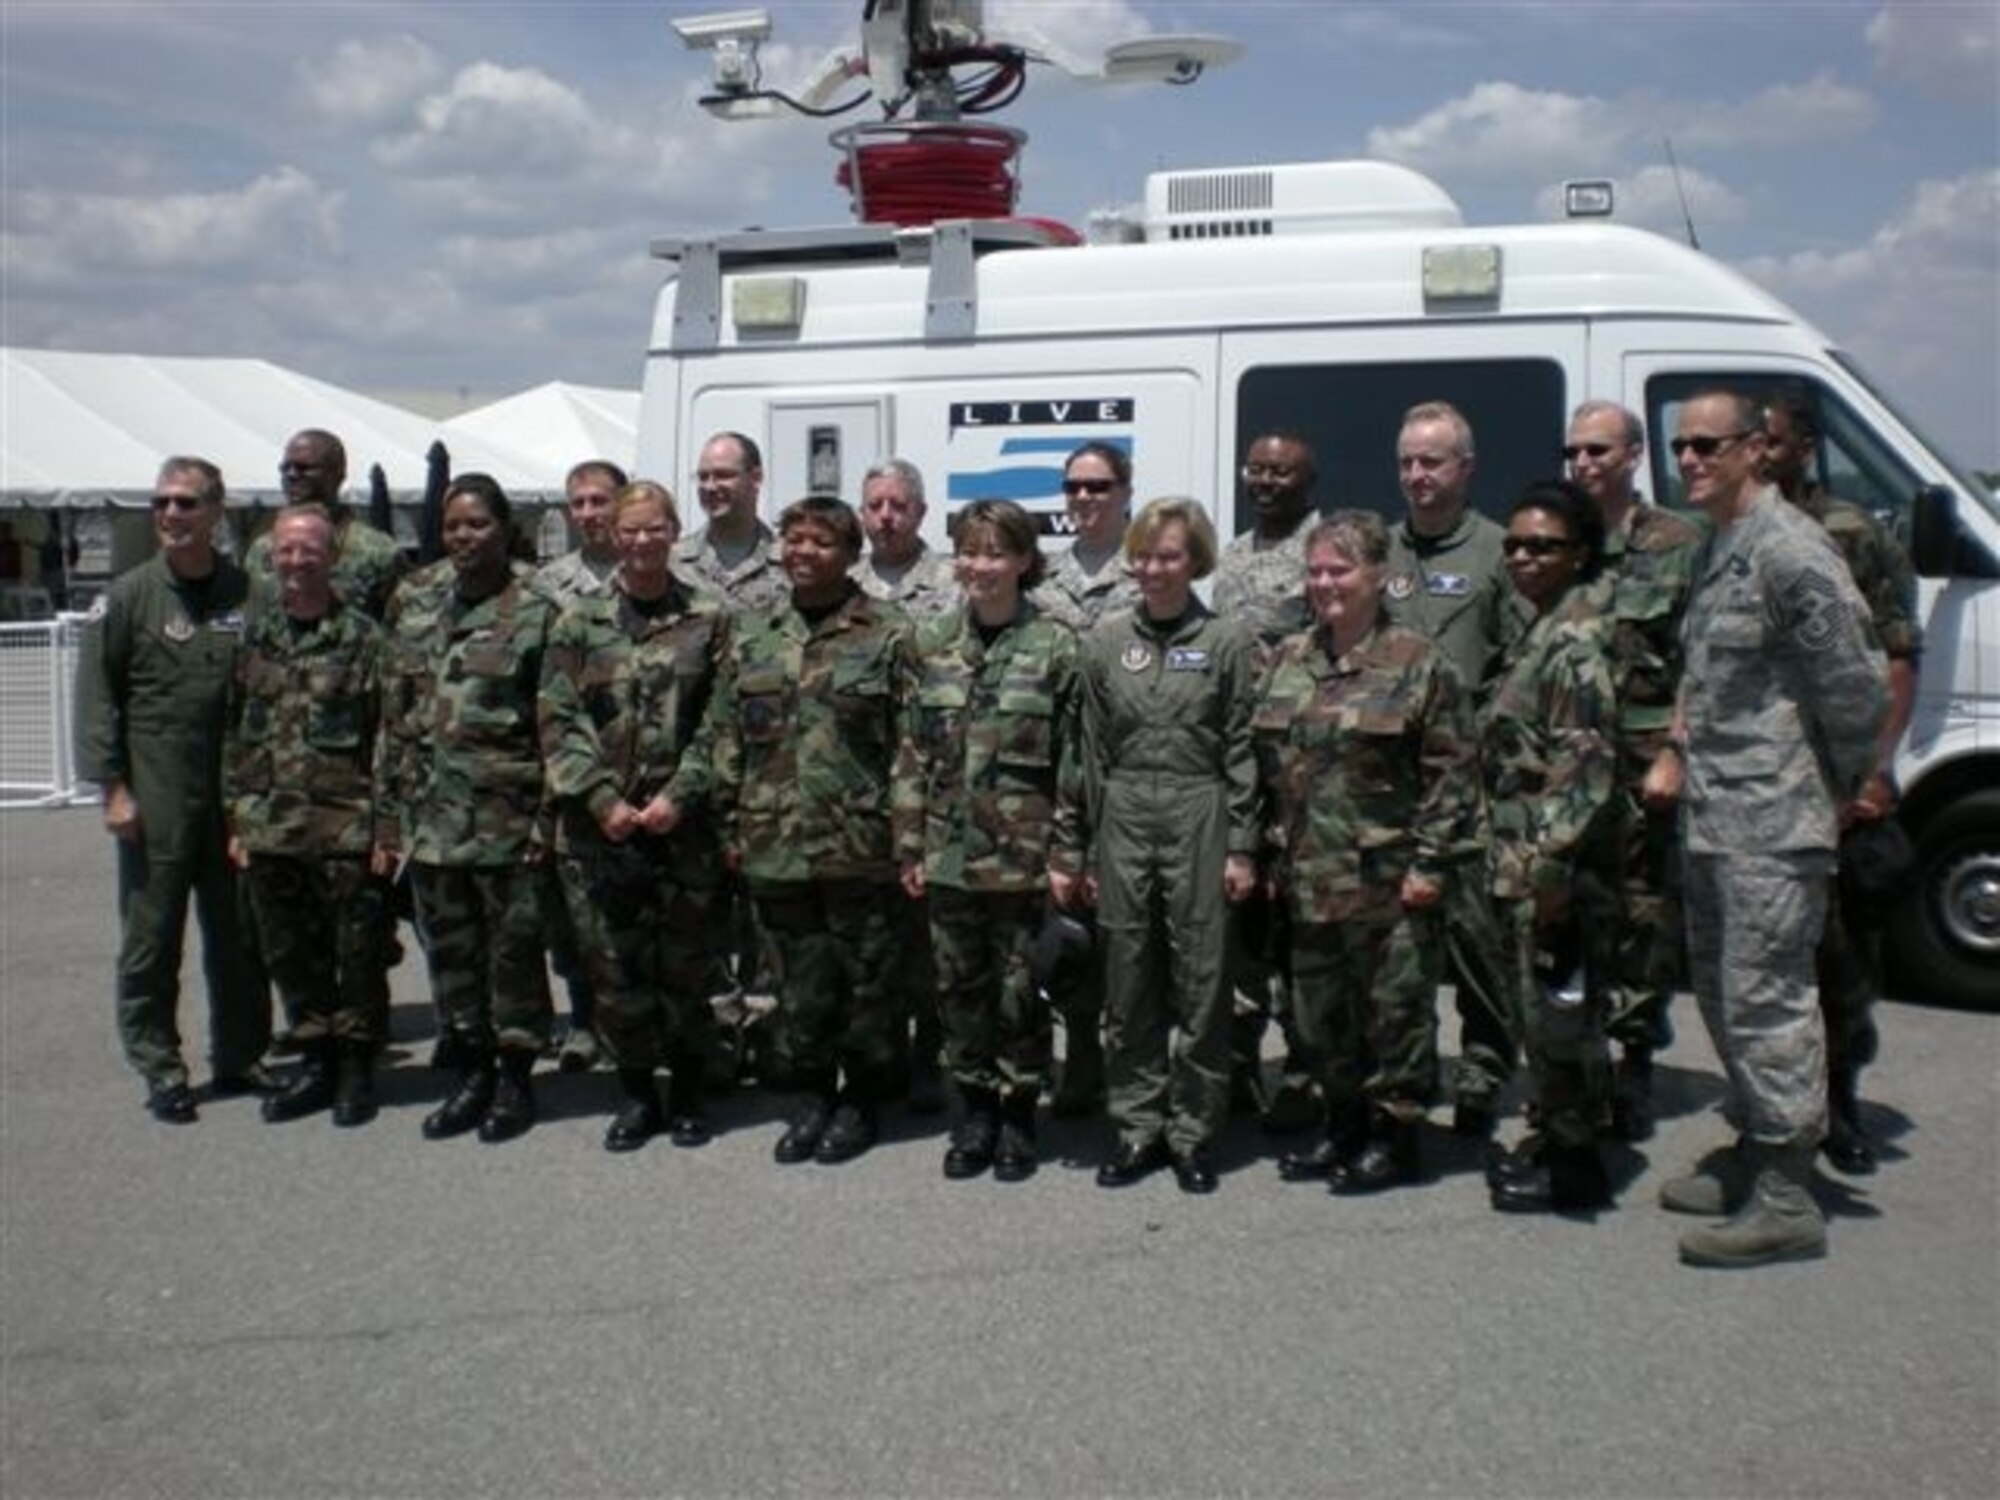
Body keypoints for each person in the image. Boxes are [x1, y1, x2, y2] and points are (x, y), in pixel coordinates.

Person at [1659, 390, 1888, 1268]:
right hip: (1720, 814)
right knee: (1724, 996)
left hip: (1774, 819)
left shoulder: (1792, 552)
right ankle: (1756, 1147)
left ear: (1757, 450)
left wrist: (1834, 783)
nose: (1689, 461)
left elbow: (1857, 686)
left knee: (1768, 1003)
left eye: (1709, 445)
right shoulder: (1723, 547)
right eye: (1680, 446)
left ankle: (1789, 1192)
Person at [672, 495, 915, 1166]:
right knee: (798, 985)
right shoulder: (753, 633)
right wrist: (728, 824)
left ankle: (863, 1099)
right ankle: (812, 1096)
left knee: (867, 981)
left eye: (822, 542)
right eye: (796, 540)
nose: (804, 552)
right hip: (772, 838)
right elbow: (727, 738)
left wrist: (909, 832)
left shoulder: (889, 631)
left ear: (850, 554)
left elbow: (912, 745)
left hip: (859, 843)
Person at [1255, 510, 1481, 1194]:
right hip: (1309, 878)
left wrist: (1431, 865)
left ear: (1378, 576)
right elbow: (1268, 769)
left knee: (1396, 1014)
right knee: (1320, 1017)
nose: (1326, 583)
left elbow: (1453, 773)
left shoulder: (1419, 662)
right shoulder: (1290, 661)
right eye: (1317, 570)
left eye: (1341, 570)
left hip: (1389, 880)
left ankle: (1396, 1136)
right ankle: (1344, 1123)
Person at [1053, 498, 1259, 1194]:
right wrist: (1077, 850)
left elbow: (1240, 748)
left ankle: (1194, 1130)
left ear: (1194, 559)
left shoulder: (1228, 640)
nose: (1155, 568)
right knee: (1129, 978)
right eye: (1143, 555)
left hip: (1200, 811)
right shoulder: (1106, 641)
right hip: (1125, 815)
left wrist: (1242, 847)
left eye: (1169, 555)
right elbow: (1086, 756)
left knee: (1203, 982)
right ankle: (1139, 1125)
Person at [75, 456, 270, 1122]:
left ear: (217, 511)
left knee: (239, 938)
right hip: (157, 796)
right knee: (152, 940)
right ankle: (161, 1067)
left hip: (233, 797)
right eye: (161, 502)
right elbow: (98, 696)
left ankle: (241, 1056)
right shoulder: (129, 597)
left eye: (186, 503)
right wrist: (113, 790)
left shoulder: (250, 594)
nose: (170, 514)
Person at [539, 480, 729, 1152]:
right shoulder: (578, 622)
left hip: (683, 827)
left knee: (686, 967)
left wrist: (683, 792)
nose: (643, 541)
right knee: (616, 968)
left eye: (656, 528)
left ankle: (689, 1093)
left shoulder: (709, 615)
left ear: (675, 531)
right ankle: (638, 1094)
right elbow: (557, 720)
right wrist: (600, 800)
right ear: (611, 537)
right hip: (604, 831)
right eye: (631, 530)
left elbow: (722, 719)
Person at [894, 499, 1079, 1182]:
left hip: (1025, 862)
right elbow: (912, 753)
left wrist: (1067, 855)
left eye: (996, 552)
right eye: (969, 552)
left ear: (1024, 560)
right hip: (949, 853)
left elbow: (1075, 765)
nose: (980, 566)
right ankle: (971, 1114)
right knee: (959, 992)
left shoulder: (1057, 648)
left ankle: (1018, 1115)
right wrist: (909, 845)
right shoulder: (930, 643)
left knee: (1019, 992)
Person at [1762, 388, 1922, 1176]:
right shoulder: (1733, 534)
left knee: (1845, 957)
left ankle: (1841, 1101)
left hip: (1835, 784)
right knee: (1766, 960)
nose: (1758, 452)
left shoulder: (1846, 532)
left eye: (1772, 440)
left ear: (1804, 448)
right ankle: (1775, 1112)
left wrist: (1877, 766)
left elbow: (1897, 654)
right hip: (1764, 783)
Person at [381, 474, 558, 1144]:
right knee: (452, 957)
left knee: (512, 954)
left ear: (502, 527)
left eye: (476, 525)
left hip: (507, 818)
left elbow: (556, 722)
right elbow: (395, 712)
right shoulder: (417, 598)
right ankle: (473, 1069)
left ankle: (516, 1077)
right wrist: (389, 814)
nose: (463, 537)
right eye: (453, 526)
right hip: (432, 820)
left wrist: (547, 820)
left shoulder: (538, 606)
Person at [223, 505, 394, 1127]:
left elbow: (388, 737)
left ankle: (356, 1069)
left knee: (358, 955)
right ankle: (316, 1061)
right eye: (285, 551)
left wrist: (387, 826)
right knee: (291, 954)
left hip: (346, 825)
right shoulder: (254, 634)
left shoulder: (364, 638)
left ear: (332, 558)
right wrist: (237, 818)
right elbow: (236, 732)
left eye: (309, 550)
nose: (296, 561)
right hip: (271, 825)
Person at [1479, 481, 1621, 1213]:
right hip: (1524, 861)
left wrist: (1552, 870)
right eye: (1515, 545)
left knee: (1558, 1022)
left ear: (1582, 555)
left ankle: (1573, 1171)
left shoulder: (1573, 643)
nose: (1524, 557)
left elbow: (1584, 769)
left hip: (1550, 871)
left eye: (1543, 546)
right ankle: (1561, 1140)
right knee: (1544, 1018)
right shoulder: (1542, 625)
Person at [1564, 401, 1702, 1141]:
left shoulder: (1679, 543)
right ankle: (1579, 1058)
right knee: (1578, 912)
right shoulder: (1561, 542)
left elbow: (1702, 658)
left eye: (1598, 451)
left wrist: (1678, 750)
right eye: (1575, 452)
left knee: (1644, 915)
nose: (1584, 464)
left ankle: (1636, 1060)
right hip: (1576, 764)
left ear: (1633, 456)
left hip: (1646, 761)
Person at [1382, 401, 1520, 1137]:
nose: (1416, 475)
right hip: (1388, 783)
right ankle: (1408, 1068)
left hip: (1470, 782)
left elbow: (1518, 662)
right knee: (1402, 944)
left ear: (1464, 468)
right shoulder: (1383, 552)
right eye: (1407, 461)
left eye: (1431, 461)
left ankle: (1483, 1069)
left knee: (1476, 940)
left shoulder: (1498, 553)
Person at [1212, 430, 1322, 1135]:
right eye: (1256, 470)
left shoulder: (1324, 550)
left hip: (1305, 768)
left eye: (1281, 471)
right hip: (1240, 764)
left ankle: (1308, 1072)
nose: (1265, 481)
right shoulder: (1230, 557)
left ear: (1307, 478)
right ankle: (1243, 1061)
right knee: (1245, 927)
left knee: (1303, 931)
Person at [1031, 441, 1141, 1117]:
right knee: (1066, 919)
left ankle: (1133, 1062)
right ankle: (1080, 1059)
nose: (1084, 498)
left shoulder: (1150, 571)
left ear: (1126, 490)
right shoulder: (1044, 581)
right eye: (1073, 487)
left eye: (1098, 486)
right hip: (1057, 771)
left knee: (1129, 929)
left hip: (1131, 773)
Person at [853, 456, 960, 1114]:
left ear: (921, 513)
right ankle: (880, 1054)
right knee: (874, 931)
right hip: (861, 783)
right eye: (875, 506)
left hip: (931, 775)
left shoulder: (950, 580)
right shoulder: (847, 579)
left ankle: (930, 1054)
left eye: (898, 505)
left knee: (926, 930)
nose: (886, 517)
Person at [535, 458, 631, 1076]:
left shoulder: (654, 572)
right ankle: (583, 1019)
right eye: (581, 503)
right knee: (569, 912)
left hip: (634, 768)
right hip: (565, 771)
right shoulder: (548, 586)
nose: (590, 513)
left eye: (601, 501)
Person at [247, 429, 407, 621]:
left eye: (304, 468)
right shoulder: (262, 549)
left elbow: (399, 630)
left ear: (338, 474)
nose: (291, 475)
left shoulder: (378, 551)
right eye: (285, 468)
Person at [672, 431, 787, 612]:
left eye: (723, 475)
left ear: (756, 478)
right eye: (703, 477)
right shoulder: (674, 562)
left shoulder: (790, 561)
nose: (709, 486)